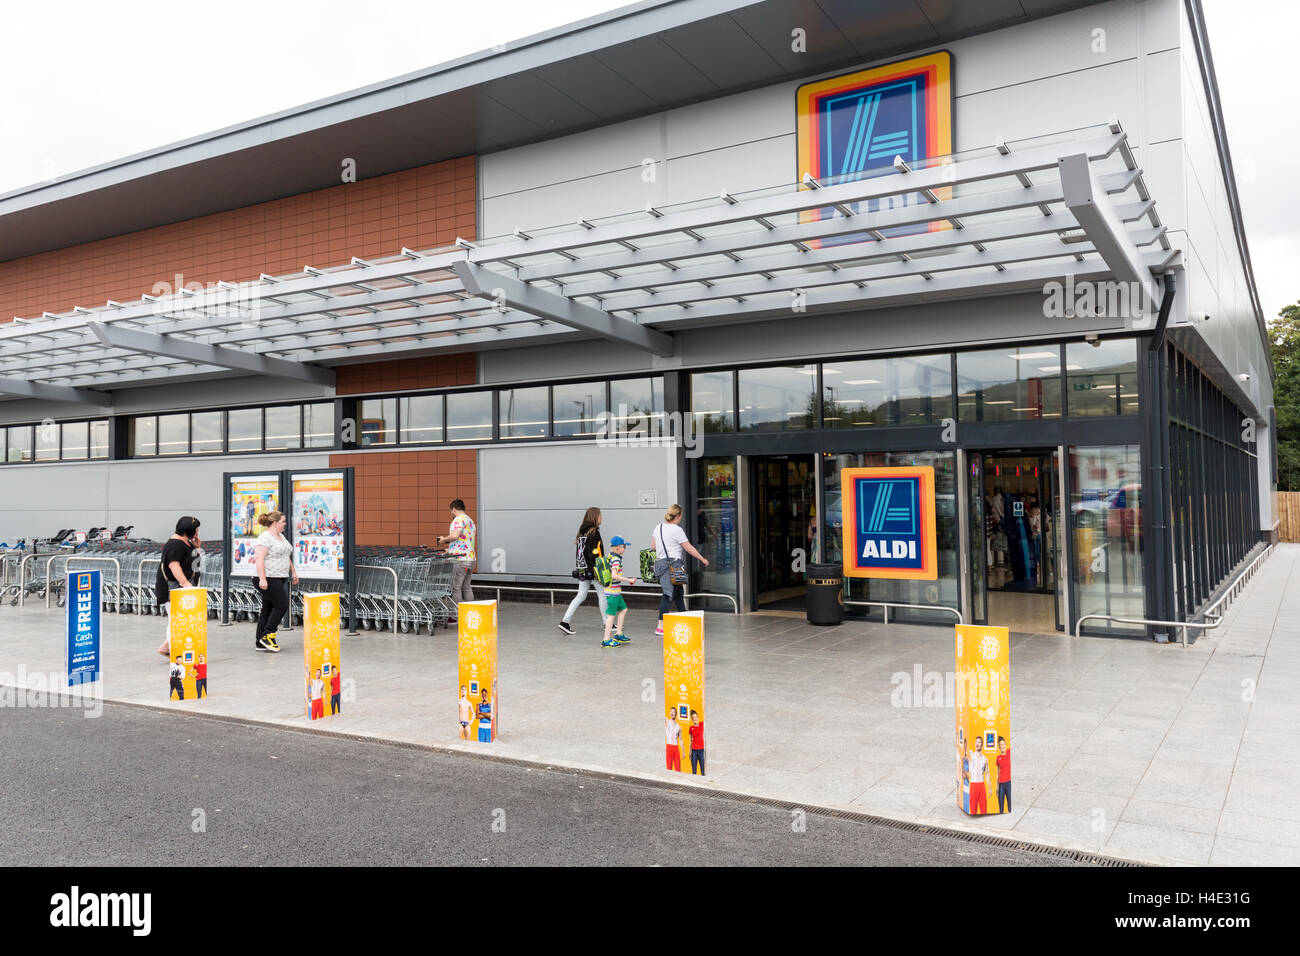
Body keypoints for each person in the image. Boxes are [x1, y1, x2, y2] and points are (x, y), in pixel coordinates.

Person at [650, 504, 709, 637]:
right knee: (668, 594)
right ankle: (660, 626)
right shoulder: (677, 530)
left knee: (678, 594)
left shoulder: (657, 527)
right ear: (678, 516)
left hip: (661, 565)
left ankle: (685, 619)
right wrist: (702, 559)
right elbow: (689, 548)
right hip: (674, 565)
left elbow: (653, 547)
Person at [155, 516, 201, 657]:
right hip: (173, 588)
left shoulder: (185, 542)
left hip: (182, 587)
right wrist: (186, 584)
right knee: (176, 620)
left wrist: (197, 546)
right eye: (196, 529)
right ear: (189, 530)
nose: (198, 531)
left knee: (182, 619)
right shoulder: (175, 545)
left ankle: (166, 647)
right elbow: (174, 565)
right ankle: (175, 650)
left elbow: (193, 560)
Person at [557, 507, 606, 635]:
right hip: (593, 569)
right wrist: (599, 569)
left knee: (581, 595)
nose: (601, 518)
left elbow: (581, 552)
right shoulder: (594, 532)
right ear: (595, 517)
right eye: (600, 515)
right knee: (602, 593)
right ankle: (607, 623)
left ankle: (565, 621)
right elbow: (595, 552)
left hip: (582, 569)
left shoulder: (582, 531)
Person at [253, 511, 298, 653]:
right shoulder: (265, 538)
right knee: (282, 604)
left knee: (267, 608)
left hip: (280, 577)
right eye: (283, 522)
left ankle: (260, 641)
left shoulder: (280, 536)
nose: (285, 524)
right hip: (268, 578)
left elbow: (286, 555)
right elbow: (259, 558)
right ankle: (268, 635)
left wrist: (293, 571)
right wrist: (262, 579)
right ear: (275, 523)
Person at [438, 499, 477, 606]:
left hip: (460, 559)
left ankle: (457, 613)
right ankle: (470, 612)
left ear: (453, 509)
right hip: (471, 558)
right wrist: (450, 550)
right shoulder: (470, 521)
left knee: (456, 588)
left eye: (451, 512)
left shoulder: (458, 520)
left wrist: (443, 540)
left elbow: (455, 536)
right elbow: (464, 541)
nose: (451, 514)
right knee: (467, 586)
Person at [600, 535, 637, 648]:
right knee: (611, 615)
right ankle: (606, 639)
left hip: (615, 591)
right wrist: (629, 580)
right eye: (624, 546)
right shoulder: (616, 559)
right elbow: (614, 575)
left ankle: (618, 633)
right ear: (618, 547)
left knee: (623, 609)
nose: (625, 548)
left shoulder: (611, 556)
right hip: (612, 592)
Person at [968, 736, 989, 814]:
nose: (977, 743)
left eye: (979, 742)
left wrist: (989, 788)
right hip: (973, 785)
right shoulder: (971, 755)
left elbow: (987, 773)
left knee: (984, 810)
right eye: (976, 742)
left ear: (982, 744)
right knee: (973, 810)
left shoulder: (985, 759)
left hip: (981, 785)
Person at [996, 736, 1012, 813]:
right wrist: (997, 787)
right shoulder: (998, 758)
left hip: (1008, 782)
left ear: (1005, 745)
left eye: (1003, 744)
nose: (1002, 746)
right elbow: (997, 773)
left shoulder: (1009, 753)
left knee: (1009, 803)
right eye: (1000, 745)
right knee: (1001, 805)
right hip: (1001, 783)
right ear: (999, 747)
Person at [688, 709, 705, 775]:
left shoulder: (702, 724)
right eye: (693, 718)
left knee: (702, 770)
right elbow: (690, 740)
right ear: (692, 719)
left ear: (698, 717)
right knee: (694, 770)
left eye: (696, 717)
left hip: (701, 750)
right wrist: (690, 752)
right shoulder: (691, 728)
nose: (695, 719)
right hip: (694, 751)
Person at [665, 707, 682, 771]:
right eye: (671, 711)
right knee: (669, 767)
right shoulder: (667, 721)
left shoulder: (679, 726)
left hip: (676, 747)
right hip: (669, 746)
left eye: (674, 712)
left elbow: (680, 739)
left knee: (678, 768)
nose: (672, 713)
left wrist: (683, 751)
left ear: (676, 714)